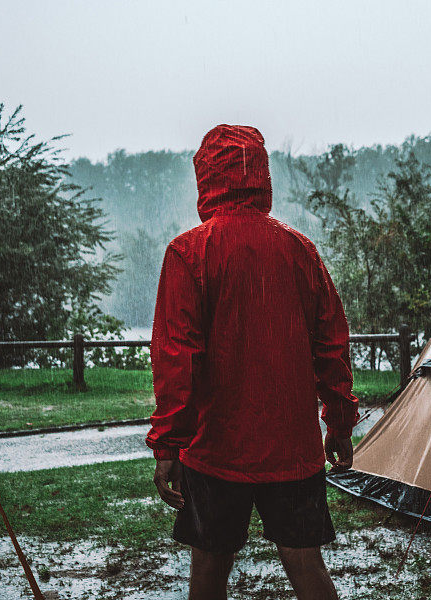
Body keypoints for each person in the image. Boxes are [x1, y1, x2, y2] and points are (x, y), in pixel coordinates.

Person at [146, 124, 360, 600]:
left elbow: (176, 357)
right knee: (307, 567)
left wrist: (168, 446)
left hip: (215, 449)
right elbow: (332, 346)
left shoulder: (189, 252)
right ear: (261, 176)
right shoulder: (299, 249)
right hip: (292, 447)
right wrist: (339, 424)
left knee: (208, 573)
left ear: (206, 176)